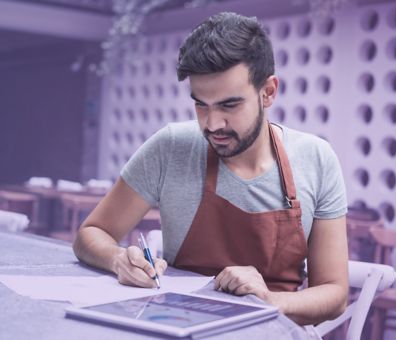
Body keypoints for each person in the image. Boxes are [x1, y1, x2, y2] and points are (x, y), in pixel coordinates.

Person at [73, 11, 348, 326]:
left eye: (229, 105)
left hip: (273, 329)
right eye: (201, 104)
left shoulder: (317, 158)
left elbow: (335, 294)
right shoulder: (171, 147)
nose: (213, 124)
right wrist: (118, 259)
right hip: (176, 325)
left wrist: (269, 300)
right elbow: (91, 234)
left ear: (268, 92)